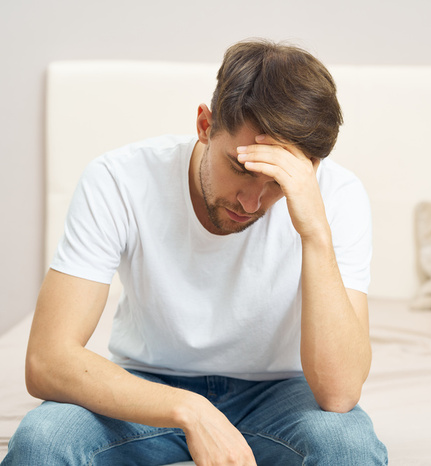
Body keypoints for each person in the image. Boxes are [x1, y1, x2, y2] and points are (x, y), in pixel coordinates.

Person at [3, 40, 387, 465]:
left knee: (348, 449)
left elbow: (339, 394)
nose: (251, 203)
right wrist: (189, 409)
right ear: (205, 124)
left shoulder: (339, 195)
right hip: (148, 384)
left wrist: (315, 230)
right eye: (241, 169)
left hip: (281, 395)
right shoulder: (119, 180)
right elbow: (46, 360)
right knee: (42, 441)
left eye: (277, 182)